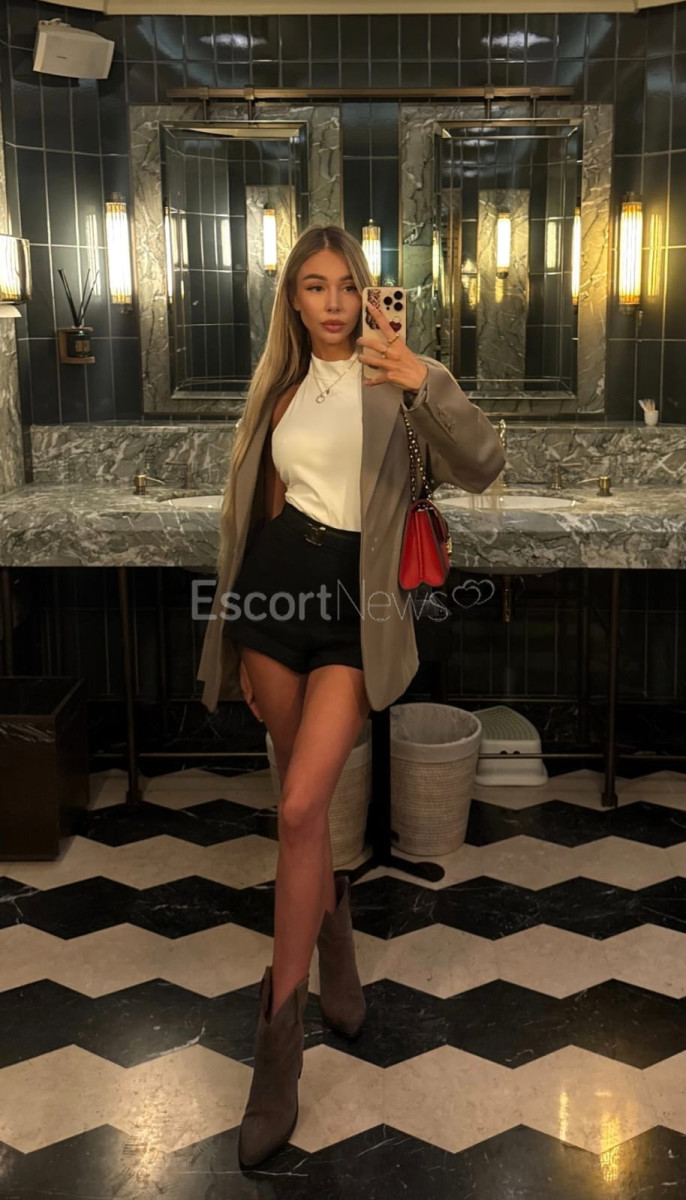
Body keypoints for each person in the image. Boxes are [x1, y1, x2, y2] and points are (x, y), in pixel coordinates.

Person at [195, 224, 505, 1169]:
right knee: (301, 808)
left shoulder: (395, 381)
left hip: (352, 618)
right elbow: (262, 507)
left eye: (346, 286)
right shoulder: (280, 388)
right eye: (314, 286)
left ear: (368, 296)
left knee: (300, 809)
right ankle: (333, 932)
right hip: (272, 603)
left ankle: (275, 1054)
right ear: (293, 300)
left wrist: (422, 376)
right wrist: (242, 634)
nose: (332, 302)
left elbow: (484, 464)